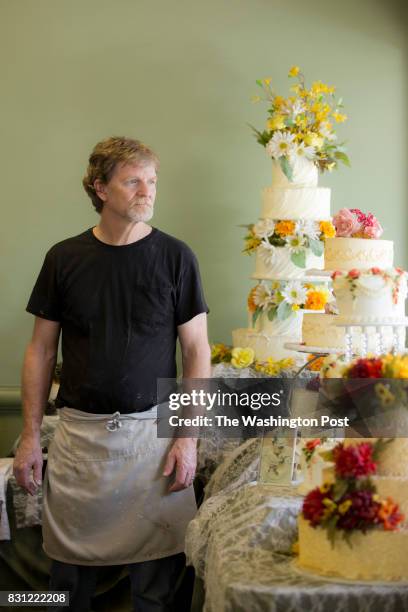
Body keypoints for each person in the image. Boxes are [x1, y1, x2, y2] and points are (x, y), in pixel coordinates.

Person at [13, 136, 211, 611]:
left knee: (154, 589)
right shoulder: (64, 258)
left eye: (153, 181)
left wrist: (188, 437)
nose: (148, 191)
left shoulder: (176, 257)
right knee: (67, 586)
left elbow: (197, 349)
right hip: (81, 440)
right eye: (133, 181)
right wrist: (28, 435)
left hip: (152, 444)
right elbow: (40, 351)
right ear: (100, 188)